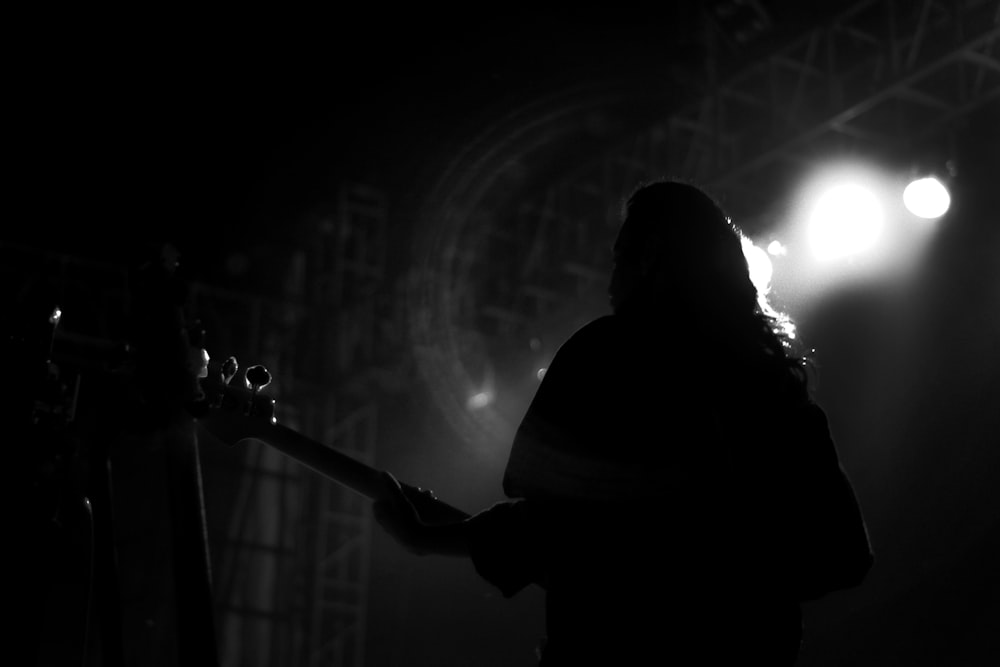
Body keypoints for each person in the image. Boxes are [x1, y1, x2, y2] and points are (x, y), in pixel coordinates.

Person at [375, 179, 874, 665]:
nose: (610, 281)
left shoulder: (607, 357)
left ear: (652, 258)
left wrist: (427, 538)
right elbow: (845, 554)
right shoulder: (773, 393)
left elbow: (554, 526)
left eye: (620, 259)